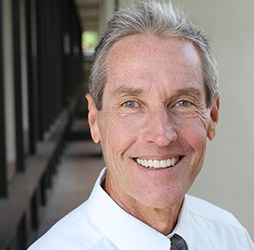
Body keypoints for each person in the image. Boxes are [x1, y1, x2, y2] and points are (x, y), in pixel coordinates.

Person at [29, 1, 254, 249]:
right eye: (131, 104)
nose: (161, 135)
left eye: (182, 103)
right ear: (94, 119)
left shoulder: (232, 237)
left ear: (212, 115)